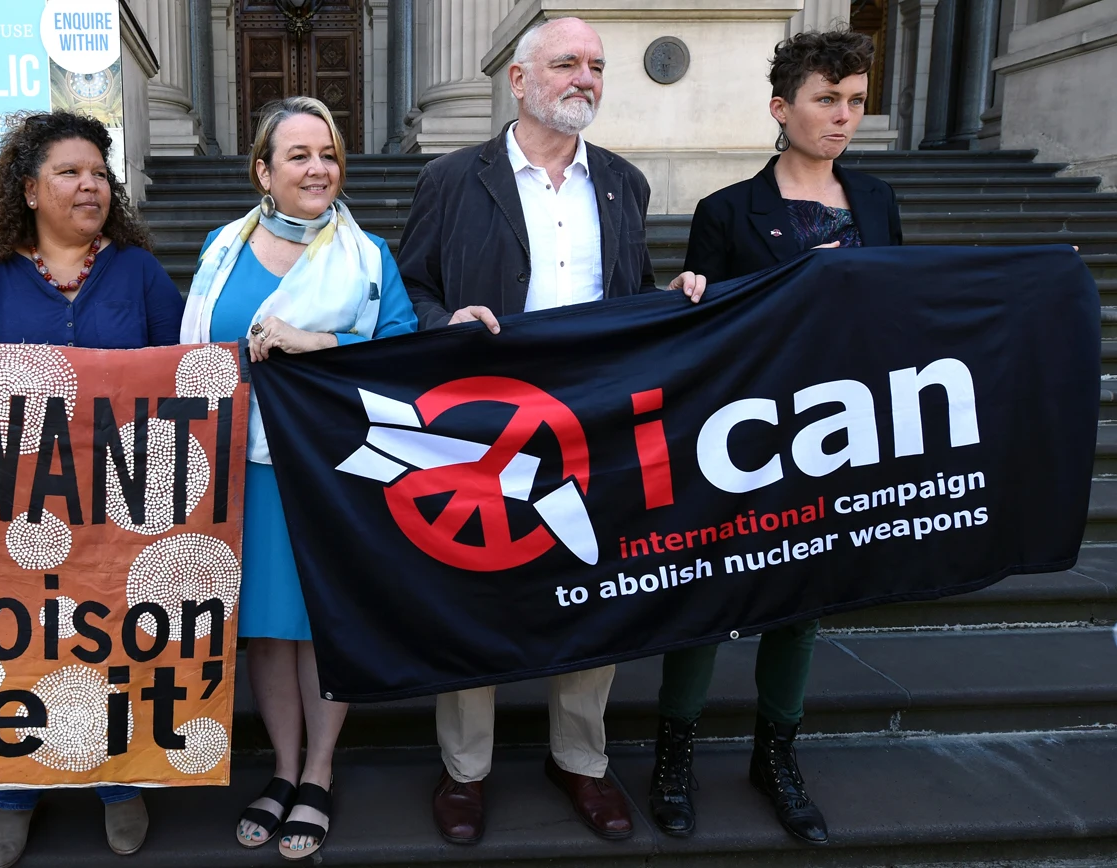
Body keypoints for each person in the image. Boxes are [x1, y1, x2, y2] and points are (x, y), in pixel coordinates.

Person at [395, 17, 706, 846]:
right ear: (519, 81)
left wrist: (670, 301)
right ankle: (465, 771)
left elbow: (629, 293)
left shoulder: (622, 183)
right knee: (478, 584)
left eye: (596, 67)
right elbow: (410, 288)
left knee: (592, 586)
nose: (585, 79)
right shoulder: (454, 179)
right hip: (485, 423)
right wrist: (443, 318)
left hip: (593, 424)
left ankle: (581, 760)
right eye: (566, 63)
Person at [650, 29, 901, 848]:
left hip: (837, 436)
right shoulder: (727, 211)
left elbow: (904, 311)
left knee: (801, 604)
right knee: (708, 592)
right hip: (744, 437)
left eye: (855, 101)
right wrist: (692, 293)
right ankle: (673, 751)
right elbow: (705, 335)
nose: (843, 117)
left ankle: (774, 754)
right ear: (780, 108)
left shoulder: (876, 203)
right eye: (826, 99)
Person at [0, 110, 183, 866]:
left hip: (118, 505)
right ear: (29, 189)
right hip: (11, 507)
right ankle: (13, 790)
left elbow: (186, 368)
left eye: (99, 174)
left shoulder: (137, 272)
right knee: (16, 644)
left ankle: (117, 779)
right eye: (70, 172)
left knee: (110, 644)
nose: (90, 186)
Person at [181, 96, 416, 861]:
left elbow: (404, 357)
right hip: (239, 468)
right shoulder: (221, 247)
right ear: (263, 171)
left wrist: (321, 340)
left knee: (323, 624)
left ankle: (319, 772)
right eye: (298, 156)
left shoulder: (369, 257)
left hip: (328, 471)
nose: (318, 169)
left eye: (329, 155)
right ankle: (282, 769)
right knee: (267, 633)